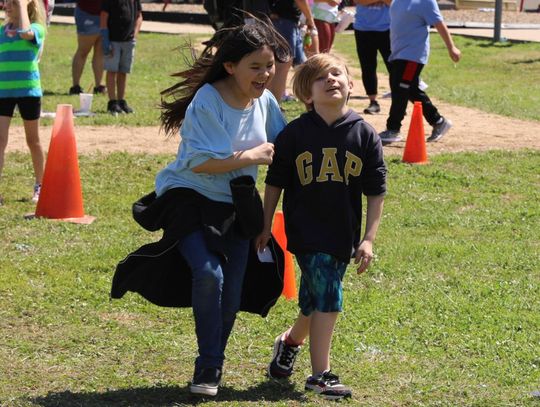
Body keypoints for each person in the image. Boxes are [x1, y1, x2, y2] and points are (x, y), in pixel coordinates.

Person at [153, 21, 290, 396]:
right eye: (256, 67)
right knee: (209, 274)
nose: (265, 75)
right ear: (230, 66)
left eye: (270, 66)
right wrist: (253, 155)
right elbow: (200, 162)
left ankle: (213, 362)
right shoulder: (208, 100)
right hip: (189, 196)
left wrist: (333, 130)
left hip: (237, 204)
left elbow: (286, 145)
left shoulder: (265, 102)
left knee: (232, 292)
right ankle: (208, 366)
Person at [256, 53, 386, 400]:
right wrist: (265, 224)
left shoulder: (364, 135)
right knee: (330, 295)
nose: (331, 79)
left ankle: (289, 342)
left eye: (337, 73)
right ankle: (320, 375)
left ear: (351, 85)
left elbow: (376, 191)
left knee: (315, 299)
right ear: (306, 95)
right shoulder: (295, 134)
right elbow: (275, 183)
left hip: (342, 232)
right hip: (306, 230)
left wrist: (369, 239)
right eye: (320, 77)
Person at [378, 0, 461, 144]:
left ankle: (393, 129)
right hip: (398, 54)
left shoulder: (426, 1)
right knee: (409, 89)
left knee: (401, 89)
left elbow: (439, 24)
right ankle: (438, 121)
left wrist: (451, 47)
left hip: (413, 55)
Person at [0, 0, 46, 206]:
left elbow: (26, 32)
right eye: (7, 2)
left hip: (29, 92)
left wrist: (21, 5)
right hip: (4, 92)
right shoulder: (2, 32)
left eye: (13, 2)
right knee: (0, 141)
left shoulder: (37, 29)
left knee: (33, 141)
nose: (8, 6)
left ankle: (40, 184)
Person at [268, 0, 316, 104]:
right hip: (285, 21)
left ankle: (312, 102)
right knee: (282, 65)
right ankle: (274, 106)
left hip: (290, 22)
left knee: (302, 64)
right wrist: (310, 18)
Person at [100, 0, 142, 114]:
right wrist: (105, 38)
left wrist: (135, 33)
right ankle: (112, 102)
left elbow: (139, 15)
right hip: (113, 41)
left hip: (128, 41)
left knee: (123, 71)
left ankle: (121, 100)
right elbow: (104, 17)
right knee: (112, 71)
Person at [353, 0, 391, 114]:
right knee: (367, 67)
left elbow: (394, 3)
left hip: (388, 28)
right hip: (363, 29)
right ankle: (373, 102)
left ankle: (398, 103)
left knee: (393, 67)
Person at [69, 0, 106, 95]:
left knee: (100, 52)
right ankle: (75, 86)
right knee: (83, 51)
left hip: (106, 14)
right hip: (87, 13)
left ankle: (99, 86)